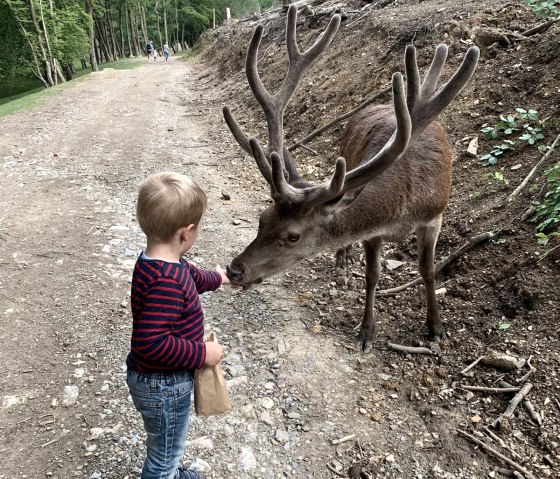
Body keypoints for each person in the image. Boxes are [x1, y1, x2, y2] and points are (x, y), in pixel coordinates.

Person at [126, 172, 230, 479]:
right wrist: (202, 354)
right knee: (163, 455)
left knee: (168, 441)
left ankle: (169, 472)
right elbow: (152, 342)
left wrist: (219, 278)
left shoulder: (159, 261)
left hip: (156, 380)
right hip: (164, 384)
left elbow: (193, 277)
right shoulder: (166, 281)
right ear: (186, 233)